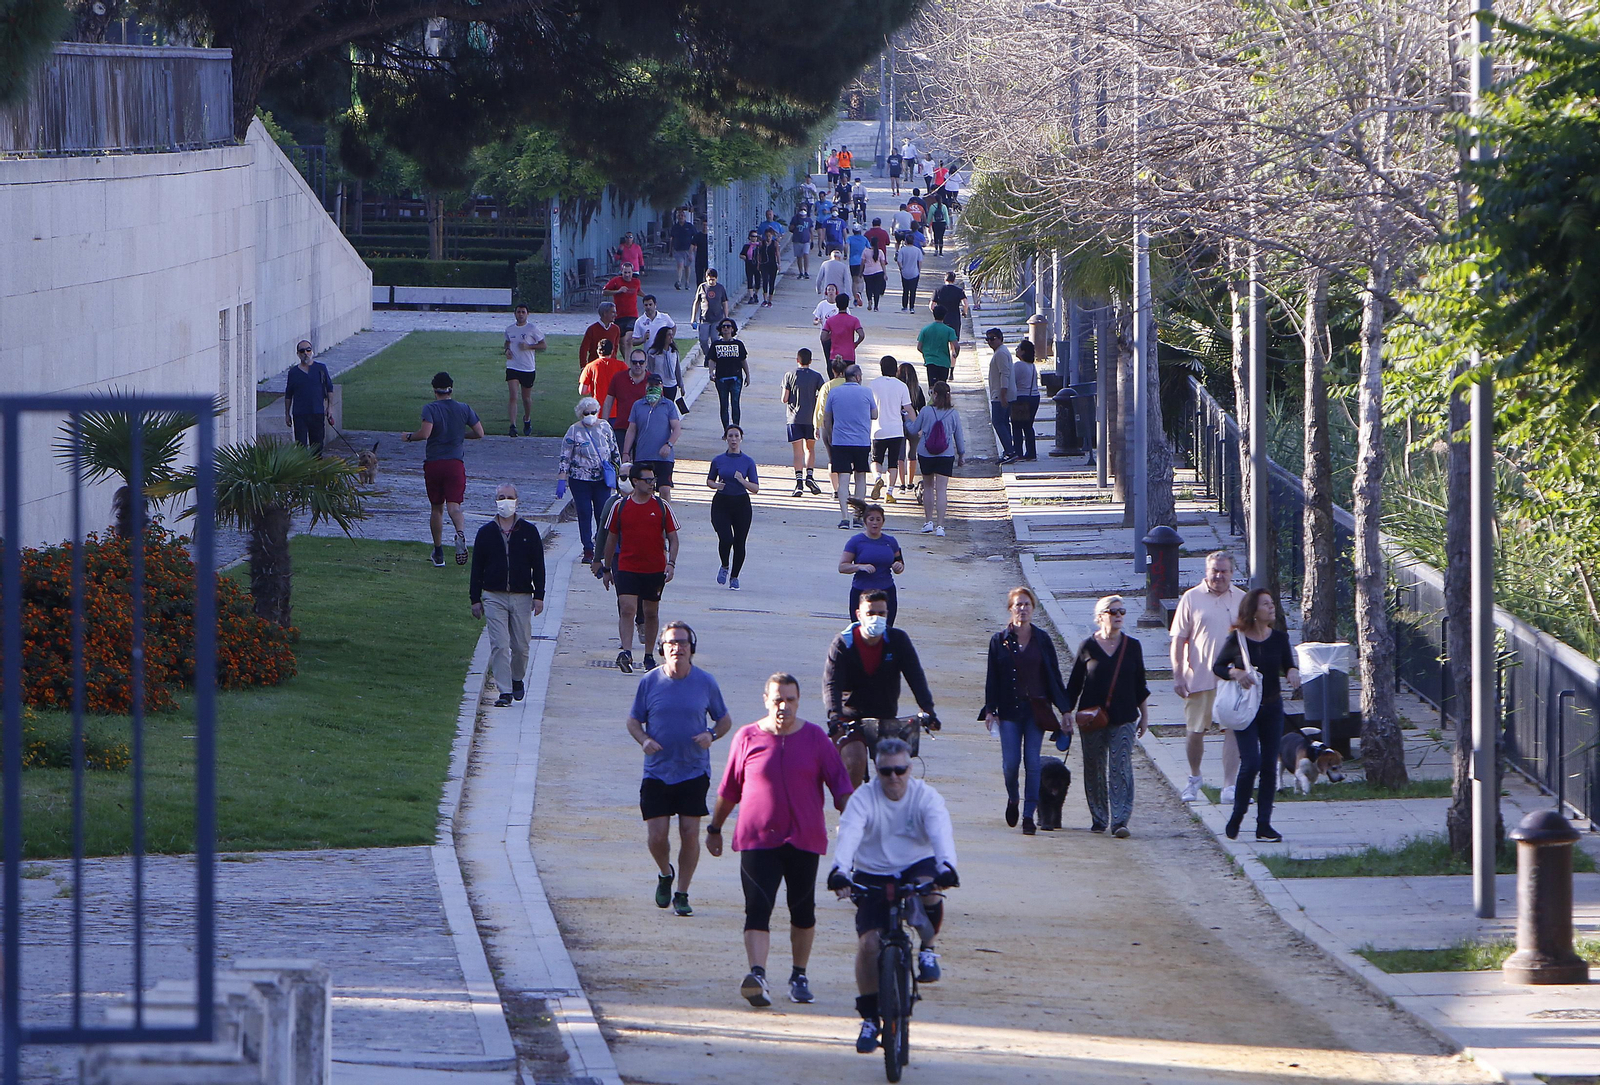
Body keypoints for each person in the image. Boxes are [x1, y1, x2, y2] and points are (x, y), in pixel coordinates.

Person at [708, 673, 853, 1006]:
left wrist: (859, 820)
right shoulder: (746, 737)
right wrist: (715, 828)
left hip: (803, 839)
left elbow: (841, 788)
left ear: (799, 701)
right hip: (757, 840)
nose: (783, 706)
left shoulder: (816, 739)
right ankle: (757, 974)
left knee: (802, 911)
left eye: (789, 699)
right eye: (777, 700)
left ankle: (799, 974)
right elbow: (729, 790)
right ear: (765, 700)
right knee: (757, 908)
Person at [826, 736, 958, 1054]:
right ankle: (870, 1017)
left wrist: (948, 868)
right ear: (877, 769)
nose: (894, 778)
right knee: (869, 944)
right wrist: (840, 872)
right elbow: (849, 835)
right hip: (872, 871)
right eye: (886, 772)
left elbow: (941, 833)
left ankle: (928, 948)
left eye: (900, 770)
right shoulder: (863, 799)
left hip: (916, 863)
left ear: (910, 768)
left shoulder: (926, 797)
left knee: (930, 889)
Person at [627, 620, 733, 916]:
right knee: (657, 836)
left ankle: (683, 893)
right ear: (662, 648)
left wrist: (711, 735)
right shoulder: (649, 682)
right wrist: (644, 739)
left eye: (683, 642)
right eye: (671, 643)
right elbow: (633, 720)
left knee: (689, 832)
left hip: (693, 770)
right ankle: (665, 873)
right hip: (657, 771)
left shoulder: (705, 682)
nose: (677, 648)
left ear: (692, 648)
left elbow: (724, 720)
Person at [982, 587, 1074, 834]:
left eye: (1026, 605)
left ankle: (1028, 816)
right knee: (1011, 765)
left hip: (1036, 711)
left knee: (1033, 763)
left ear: (1033, 609)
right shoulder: (998, 641)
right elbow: (993, 678)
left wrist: (1065, 710)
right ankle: (1014, 797)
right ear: (1010, 609)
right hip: (1010, 711)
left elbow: (1053, 676)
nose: (1022, 609)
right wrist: (991, 709)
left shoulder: (1042, 639)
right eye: (1018, 605)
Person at [822, 592, 938, 788]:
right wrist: (834, 716)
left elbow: (915, 675)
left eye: (881, 613)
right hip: (850, 718)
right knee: (855, 762)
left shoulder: (897, 640)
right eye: (870, 613)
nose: (876, 618)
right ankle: (850, 814)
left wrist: (928, 709)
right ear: (859, 614)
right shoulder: (843, 643)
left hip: (885, 717)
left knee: (895, 771)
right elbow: (831, 684)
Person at [1213, 589, 1301, 843]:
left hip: (1272, 708)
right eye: (1266, 604)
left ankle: (1264, 824)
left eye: (1272, 603)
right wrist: (1235, 673)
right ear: (1253, 611)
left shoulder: (1280, 639)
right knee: (1250, 762)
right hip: (1245, 709)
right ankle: (1238, 814)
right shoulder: (1237, 639)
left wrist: (1293, 672)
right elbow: (1217, 666)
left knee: (1268, 768)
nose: (1272, 608)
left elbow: (1288, 663)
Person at [1064, 595, 1152, 838]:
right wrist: (1066, 715)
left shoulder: (1132, 646)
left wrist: (1144, 716)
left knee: (1120, 766)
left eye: (1122, 611)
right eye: (1113, 612)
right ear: (1101, 616)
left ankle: (1120, 820)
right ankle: (1099, 817)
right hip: (1091, 718)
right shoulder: (1088, 647)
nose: (1119, 616)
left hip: (1124, 716)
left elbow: (1140, 685)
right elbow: (1074, 686)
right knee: (1094, 767)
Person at [1171, 552, 1247, 804]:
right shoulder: (1191, 598)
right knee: (1195, 730)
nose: (1219, 576)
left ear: (1232, 573)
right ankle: (1194, 778)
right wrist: (1178, 673)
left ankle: (1229, 786)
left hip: (1232, 679)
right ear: (1207, 571)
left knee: (1233, 730)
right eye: (1215, 570)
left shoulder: (1242, 599)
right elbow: (1179, 638)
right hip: (1199, 675)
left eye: (1224, 571)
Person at [595, 463, 680, 673]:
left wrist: (671, 563)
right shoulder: (621, 506)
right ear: (635, 481)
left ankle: (649, 655)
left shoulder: (661, 506)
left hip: (654, 568)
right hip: (627, 566)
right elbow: (611, 538)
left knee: (651, 612)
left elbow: (673, 538)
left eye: (653, 480)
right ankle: (626, 652)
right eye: (648, 480)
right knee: (627, 609)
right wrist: (606, 568)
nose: (652, 484)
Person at [469, 482, 547, 706]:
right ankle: (504, 691)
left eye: (509, 497)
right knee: (500, 644)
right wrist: (475, 598)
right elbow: (477, 567)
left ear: (517, 500)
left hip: (522, 596)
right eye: (501, 497)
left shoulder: (529, 531)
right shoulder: (486, 533)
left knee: (521, 646)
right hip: (494, 596)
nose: (505, 501)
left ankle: (517, 678)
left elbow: (538, 566)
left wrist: (538, 595)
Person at [400, 371, 484, 567]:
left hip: (435, 464)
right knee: (454, 507)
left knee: (436, 508)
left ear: (434, 390)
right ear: (451, 389)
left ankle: (438, 552)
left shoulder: (430, 408)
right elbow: (479, 432)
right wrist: (461, 436)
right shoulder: (464, 408)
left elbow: (425, 433)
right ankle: (460, 533)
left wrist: (409, 436)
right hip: (455, 464)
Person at [557, 397, 620, 565]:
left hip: (602, 479)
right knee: (584, 512)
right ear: (580, 413)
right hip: (580, 479)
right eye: (587, 413)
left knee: (603, 513)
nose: (591, 415)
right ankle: (587, 548)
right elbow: (565, 456)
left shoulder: (605, 427)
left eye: (594, 412)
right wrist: (562, 479)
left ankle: (601, 546)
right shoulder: (574, 431)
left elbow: (614, 450)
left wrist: (620, 475)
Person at [903, 380, 964, 536]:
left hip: (926, 453)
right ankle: (941, 526)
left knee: (929, 487)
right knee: (942, 489)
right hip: (946, 454)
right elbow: (959, 437)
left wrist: (907, 420)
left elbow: (914, 429)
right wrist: (961, 455)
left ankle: (928, 521)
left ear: (935, 394)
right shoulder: (954, 413)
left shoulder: (925, 411)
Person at [823, 364, 878, 531]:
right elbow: (875, 414)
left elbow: (826, 419)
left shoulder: (834, 392)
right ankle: (858, 516)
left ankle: (845, 517)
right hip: (861, 441)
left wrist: (831, 435)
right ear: (858, 377)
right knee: (860, 478)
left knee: (843, 480)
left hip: (840, 441)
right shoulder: (866, 392)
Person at [706, 424, 759, 590]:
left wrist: (743, 481)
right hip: (721, 502)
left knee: (739, 542)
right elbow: (709, 480)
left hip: (741, 504)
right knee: (726, 538)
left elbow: (755, 488)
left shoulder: (748, 461)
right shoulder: (718, 460)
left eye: (736, 436)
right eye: (730, 436)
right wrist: (716, 486)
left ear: (741, 439)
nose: (733, 439)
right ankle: (724, 566)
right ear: (726, 439)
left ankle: (735, 576)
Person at [839, 501, 904, 624]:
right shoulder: (856, 541)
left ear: (883, 522)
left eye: (878, 519)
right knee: (860, 631)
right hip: (862, 592)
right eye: (871, 519)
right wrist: (859, 567)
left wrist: (898, 566)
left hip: (886, 591)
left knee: (886, 631)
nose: (875, 523)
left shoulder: (891, 541)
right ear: (865, 522)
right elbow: (842, 566)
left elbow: (899, 563)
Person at [622, 374, 683, 502]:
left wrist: (669, 444)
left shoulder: (669, 405)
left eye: (657, 385)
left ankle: (666, 517)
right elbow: (631, 430)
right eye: (651, 385)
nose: (653, 388)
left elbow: (676, 428)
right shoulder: (638, 405)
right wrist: (626, 452)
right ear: (646, 386)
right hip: (643, 455)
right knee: (643, 491)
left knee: (664, 490)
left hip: (664, 458)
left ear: (661, 387)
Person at [867, 357, 913, 504]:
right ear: (895, 369)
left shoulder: (872, 385)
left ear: (881, 368)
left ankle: (877, 478)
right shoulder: (901, 386)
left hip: (877, 429)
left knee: (876, 460)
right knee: (893, 463)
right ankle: (889, 492)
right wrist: (917, 425)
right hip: (896, 430)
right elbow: (908, 408)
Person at [782, 348, 826, 497]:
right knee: (810, 449)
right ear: (811, 361)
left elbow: (784, 399)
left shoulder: (789, 375)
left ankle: (798, 482)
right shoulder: (817, 376)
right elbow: (822, 395)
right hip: (811, 418)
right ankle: (810, 476)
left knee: (797, 452)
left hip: (794, 418)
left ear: (797, 360)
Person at [283, 340, 333, 456]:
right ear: (298, 354)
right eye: (302, 351)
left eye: (308, 350)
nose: (305, 353)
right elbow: (289, 394)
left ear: (312, 351)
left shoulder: (321, 368)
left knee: (317, 447)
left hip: (317, 412)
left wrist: (330, 408)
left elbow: (329, 388)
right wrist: (287, 414)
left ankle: (316, 472)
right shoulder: (293, 372)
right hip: (300, 414)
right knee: (301, 447)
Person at [504, 303, 546, 438]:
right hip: (512, 366)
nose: (520, 314)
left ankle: (527, 419)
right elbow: (507, 342)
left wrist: (529, 346)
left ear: (527, 314)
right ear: (514, 314)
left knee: (526, 398)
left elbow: (543, 345)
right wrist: (507, 350)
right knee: (513, 396)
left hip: (527, 368)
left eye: (523, 312)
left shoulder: (532, 329)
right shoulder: (509, 329)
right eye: (518, 312)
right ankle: (512, 426)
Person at [603, 349, 651, 451]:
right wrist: (604, 425)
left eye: (641, 362)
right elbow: (608, 401)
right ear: (630, 362)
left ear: (646, 363)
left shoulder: (652, 381)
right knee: (621, 461)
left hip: (644, 429)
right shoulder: (618, 378)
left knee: (641, 463)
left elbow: (659, 405)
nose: (638, 365)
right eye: (634, 362)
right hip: (622, 427)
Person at [708, 318, 750, 432]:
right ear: (720, 329)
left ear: (733, 329)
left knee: (735, 403)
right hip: (721, 379)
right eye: (723, 327)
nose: (726, 328)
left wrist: (747, 375)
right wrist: (711, 372)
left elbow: (743, 361)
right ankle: (726, 430)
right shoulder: (716, 344)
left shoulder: (738, 344)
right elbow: (712, 360)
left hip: (736, 378)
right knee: (723, 404)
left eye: (728, 326)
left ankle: (736, 429)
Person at [986, 328, 1018, 464]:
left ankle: (1010, 451)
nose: (990, 342)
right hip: (1000, 393)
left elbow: (1004, 374)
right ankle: (1009, 449)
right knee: (1004, 422)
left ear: (1000, 338)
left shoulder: (1001, 353)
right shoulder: (1000, 352)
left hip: (1000, 395)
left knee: (998, 422)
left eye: (992, 339)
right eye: (987, 339)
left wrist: (1003, 394)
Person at [895, 363, 926, 497]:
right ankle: (910, 481)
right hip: (914, 423)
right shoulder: (917, 390)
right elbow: (922, 408)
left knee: (899, 456)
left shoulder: (897, 390)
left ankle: (901, 484)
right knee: (912, 455)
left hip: (898, 424)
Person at [579, 337, 626, 420]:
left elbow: (582, 391)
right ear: (612, 351)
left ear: (598, 351)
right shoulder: (621, 366)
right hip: (617, 411)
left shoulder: (590, 366)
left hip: (597, 411)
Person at [1011, 340, 1042, 461]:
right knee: (1028, 426)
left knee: (1017, 426)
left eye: (1018, 348)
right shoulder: (1032, 366)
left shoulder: (1018, 365)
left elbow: (1012, 381)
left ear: (1023, 351)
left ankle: (1018, 452)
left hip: (1021, 397)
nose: (1016, 350)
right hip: (1034, 396)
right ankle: (1031, 452)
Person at [690, 268, 731, 360]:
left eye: (713, 279)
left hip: (717, 319)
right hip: (704, 319)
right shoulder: (702, 287)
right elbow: (696, 303)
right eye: (709, 279)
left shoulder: (720, 288)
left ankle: (713, 359)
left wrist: (726, 317)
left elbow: (724, 303)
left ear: (716, 278)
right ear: (706, 278)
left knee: (714, 339)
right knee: (703, 340)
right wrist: (693, 318)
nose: (711, 281)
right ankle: (708, 356)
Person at [917, 306, 960, 386]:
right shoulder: (949, 330)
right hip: (944, 362)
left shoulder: (925, 329)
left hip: (930, 361)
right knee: (942, 385)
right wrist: (955, 354)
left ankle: (932, 397)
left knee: (932, 386)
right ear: (944, 316)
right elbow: (956, 346)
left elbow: (919, 347)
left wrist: (927, 353)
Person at [645, 324, 683, 411]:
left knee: (669, 407)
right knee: (657, 407)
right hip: (658, 385)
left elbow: (677, 370)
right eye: (668, 335)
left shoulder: (674, 352)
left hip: (671, 385)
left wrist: (681, 385)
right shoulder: (653, 353)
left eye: (672, 334)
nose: (671, 337)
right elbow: (650, 369)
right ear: (663, 337)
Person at [822, 294, 864, 367]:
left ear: (837, 304)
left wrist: (833, 334)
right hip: (849, 355)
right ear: (847, 304)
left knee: (836, 377)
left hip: (835, 355)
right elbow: (861, 335)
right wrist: (856, 343)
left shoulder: (830, 320)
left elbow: (823, 337)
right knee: (848, 376)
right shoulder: (854, 320)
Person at [579, 302, 624, 371]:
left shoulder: (616, 329)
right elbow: (584, 349)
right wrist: (583, 366)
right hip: (595, 367)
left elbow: (615, 349)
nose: (615, 315)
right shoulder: (592, 329)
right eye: (612, 312)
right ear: (605, 313)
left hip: (610, 367)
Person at [601, 262, 643, 337]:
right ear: (621, 271)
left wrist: (647, 297)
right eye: (625, 272)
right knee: (622, 341)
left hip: (632, 315)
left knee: (629, 338)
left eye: (629, 272)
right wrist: (618, 291)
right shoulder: (616, 281)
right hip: (619, 315)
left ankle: (629, 348)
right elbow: (604, 292)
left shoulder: (636, 282)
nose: (627, 275)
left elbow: (637, 291)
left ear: (632, 272)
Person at [669, 209, 696, 290]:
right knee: (680, 265)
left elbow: (695, 237)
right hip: (678, 250)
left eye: (682, 216)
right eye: (679, 216)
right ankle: (679, 281)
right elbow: (672, 238)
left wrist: (694, 248)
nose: (681, 217)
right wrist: (670, 250)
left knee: (687, 266)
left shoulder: (690, 226)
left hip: (688, 250)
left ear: (685, 217)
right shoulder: (675, 227)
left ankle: (687, 282)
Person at [896, 234, 924, 312]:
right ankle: (912, 307)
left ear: (906, 241)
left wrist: (901, 268)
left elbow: (899, 261)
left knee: (905, 290)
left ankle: (904, 306)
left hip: (905, 272)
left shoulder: (902, 250)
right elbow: (920, 261)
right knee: (913, 291)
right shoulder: (917, 250)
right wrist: (919, 270)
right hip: (914, 272)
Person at [812, 282, 841, 359]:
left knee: (836, 357)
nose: (831, 291)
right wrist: (817, 322)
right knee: (828, 357)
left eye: (832, 290)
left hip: (838, 335)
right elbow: (815, 320)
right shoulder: (822, 305)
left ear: (836, 292)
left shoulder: (840, 304)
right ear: (826, 292)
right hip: (825, 335)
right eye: (829, 290)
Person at [860, 239, 889, 312]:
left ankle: (869, 300)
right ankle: (876, 306)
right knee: (877, 289)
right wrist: (885, 273)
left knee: (868, 287)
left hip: (867, 272)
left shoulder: (866, 251)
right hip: (878, 272)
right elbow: (883, 263)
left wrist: (861, 272)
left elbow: (862, 263)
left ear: (870, 243)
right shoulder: (880, 252)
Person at [758, 228, 781, 307]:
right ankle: (764, 299)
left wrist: (779, 264)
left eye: (770, 236)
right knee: (765, 281)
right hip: (764, 264)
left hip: (772, 264)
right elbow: (759, 254)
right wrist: (759, 264)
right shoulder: (762, 244)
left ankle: (770, 300)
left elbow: (777, 253)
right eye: (767, 236)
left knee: (772, 282)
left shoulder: (775, 244)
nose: (768, 237)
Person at [846, 224, 868, 305]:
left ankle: (855, 297)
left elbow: (846, 245)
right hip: (862, 262)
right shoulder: (864, 239)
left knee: (854, 281)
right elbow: (869, 247)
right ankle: (860, 293)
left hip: (853, 262)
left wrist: (845, 254)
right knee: (861, 280)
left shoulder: (850, 238)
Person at [789, 208, 813, 279]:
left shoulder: (809, 220)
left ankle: (806, 271)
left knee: (806, 254)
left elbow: (811, 231)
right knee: (799, 257)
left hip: (806, 240)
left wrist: (812, 241)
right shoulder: (795, 219)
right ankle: (801, 272)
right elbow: (790, 228)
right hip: (797, 240)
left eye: (804, 209)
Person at [740, 230, 762, 305]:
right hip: (749, 264)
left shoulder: (759, 246)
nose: (754, 238)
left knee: (758, 280)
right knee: (750, 280)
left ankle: (756, 294)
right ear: (750, 237)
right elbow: (741, 254)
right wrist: (745, 257)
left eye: (756, 236)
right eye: (753, 236)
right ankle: (751, 296)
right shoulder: (747, 246)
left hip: (758, 265)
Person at [693, 215, 710, 286]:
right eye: (703, 225)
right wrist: (690, 254)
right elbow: (692, 245)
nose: (705, 226)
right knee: (699, 277)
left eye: (706, 225)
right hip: (699, 258)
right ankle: (699, 291)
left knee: (708, 276)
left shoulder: (710, 236)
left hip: (708, 259)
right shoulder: (698, 236)